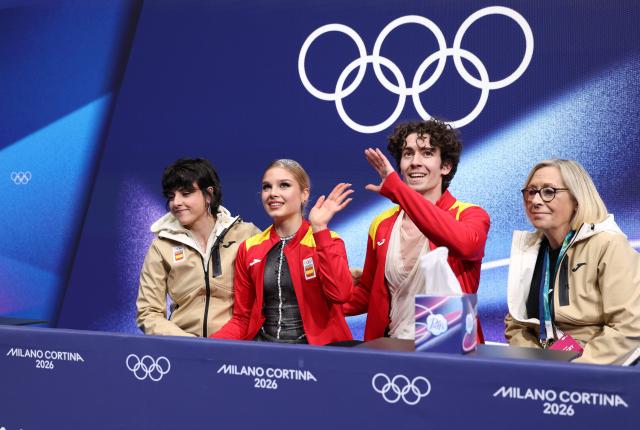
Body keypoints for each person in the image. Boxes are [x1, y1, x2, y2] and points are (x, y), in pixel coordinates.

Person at [343, 119, 490, 341]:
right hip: (392, 346)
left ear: (445, 166)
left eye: (427, 153)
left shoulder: (470, 215)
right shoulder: (381, 224)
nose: (415, 162)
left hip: (448, 344)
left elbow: (464, 244)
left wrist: (398, 190)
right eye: (408, 154)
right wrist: (311, 300)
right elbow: (366, 294)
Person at [505, 159, 640, 365]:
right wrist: (535, 364)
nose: (536, 200)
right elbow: (516, 324)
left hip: (593, 370)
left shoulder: (609, 243)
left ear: (577, 199)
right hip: (543, 368)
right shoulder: (528, 249)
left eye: (549, 191)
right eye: (531, 192)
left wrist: (574, 371)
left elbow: (628, 326)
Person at [211, 159, 354, 345]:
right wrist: (208, 347)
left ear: (304, 194)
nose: (273, 194)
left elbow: (341, 294)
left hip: (320, 356)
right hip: (266, 355)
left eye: (284, 185)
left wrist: (319, 229)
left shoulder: (328, 240)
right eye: (266, 187)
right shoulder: (249, 248)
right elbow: (242, 319)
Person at [136, 158, 260, 337]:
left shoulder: (247, 235)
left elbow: (268, 298)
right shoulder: (161, 246)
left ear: (209, 195)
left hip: (237, 350)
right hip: (183, 351)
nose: (176, 202)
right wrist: (189, 344)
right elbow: (148, 313)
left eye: (185, 193)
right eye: (171, 196)